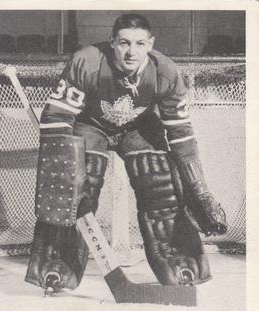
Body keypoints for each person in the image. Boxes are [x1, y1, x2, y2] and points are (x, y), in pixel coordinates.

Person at [25, 13, 227, 292]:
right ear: (113, 42)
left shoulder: (165, 71)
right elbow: (57, 118)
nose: (132, 52)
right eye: (124, 43)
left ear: (150, 43)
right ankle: (57, 263)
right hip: (90, 123)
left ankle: (177, 259)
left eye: (140, 43)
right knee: (77, 185)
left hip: (138, 126)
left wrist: (200, 191)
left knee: (160, 178)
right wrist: (64, 174)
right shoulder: (88, 61)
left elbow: (182, 135)